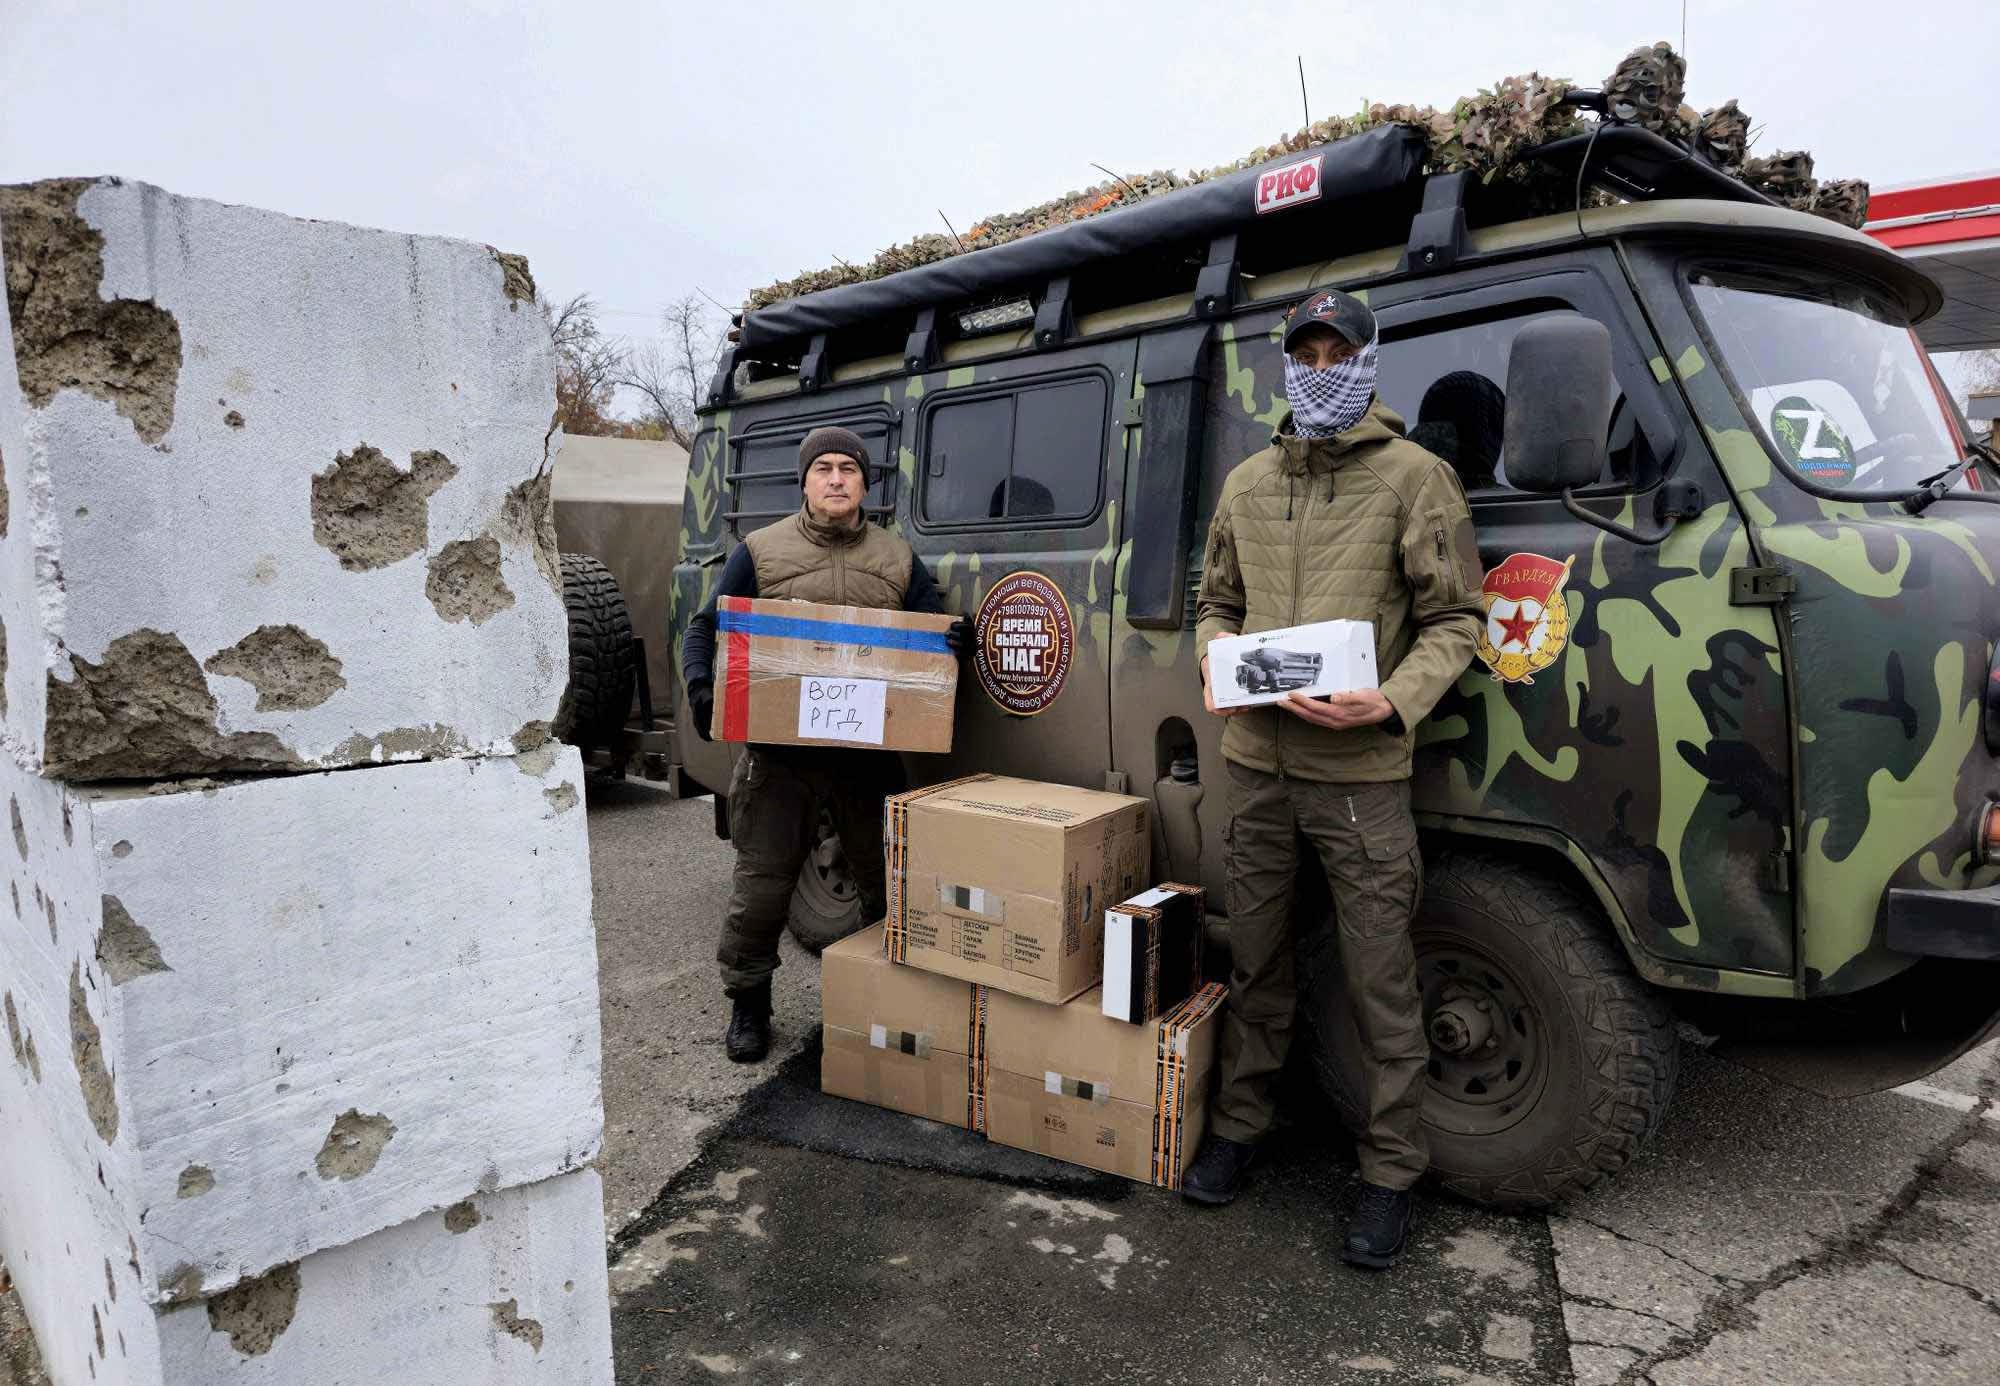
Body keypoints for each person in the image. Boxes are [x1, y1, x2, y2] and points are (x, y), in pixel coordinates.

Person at [1184, 289, 1485, 1269]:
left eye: (1337, 349)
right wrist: (1213, 651)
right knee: (1256, 965)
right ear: (1287, 365)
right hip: (1258, 767)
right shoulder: (1246, 483)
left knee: (1379, 979)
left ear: (1367, 359)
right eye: (1304, 351)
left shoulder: (1415, 478)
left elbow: (1455, 622)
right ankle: (1238, 1130)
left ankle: (1389, 1172)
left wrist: (1390, 702)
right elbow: (1213, 602)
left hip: (1358, 774)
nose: (1320, 366)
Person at [681, 426, 968, 1063]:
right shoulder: (759, 551)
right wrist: (702, 688)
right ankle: (749, 1005)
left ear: (866, 484)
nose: (836, 479)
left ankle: (878, 1001)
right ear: (805, 481)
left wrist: (955, 645)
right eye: (824, 469)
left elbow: (930, 635)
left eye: (848, 469)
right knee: (761, 890)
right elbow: (705, 630)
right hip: (780, 762)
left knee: (886, 887)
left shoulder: (897, 558)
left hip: (865, 763)